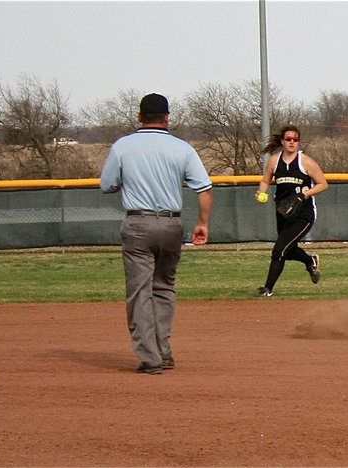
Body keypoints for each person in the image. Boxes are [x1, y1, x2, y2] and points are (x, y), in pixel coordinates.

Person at [100, 93, 213, 374]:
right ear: (166, 118)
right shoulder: (182, 148)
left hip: (138, 224)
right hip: (172, 224)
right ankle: (163, 351)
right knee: (163, 287)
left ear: (139, 117)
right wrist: (202, 223)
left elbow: (107, 185)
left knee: (140, 292)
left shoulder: (123, 146)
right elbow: (204, 188)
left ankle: (150, 358)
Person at [254, 124, 328, 297]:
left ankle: (267, 289)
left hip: (303, 214)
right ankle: (310, 261)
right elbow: (266, 180)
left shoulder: (305, 162)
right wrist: (261, 192)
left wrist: (305, 194)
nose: (292, 142)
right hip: (283, 211)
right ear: (282, 141)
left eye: (295, 139)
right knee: (287, 250)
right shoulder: (274, 160)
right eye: (288, 139)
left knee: (279, 250)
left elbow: (323, 184)